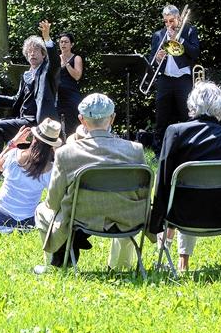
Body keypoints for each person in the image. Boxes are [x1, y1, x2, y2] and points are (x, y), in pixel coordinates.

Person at [33, 93, 148, 272]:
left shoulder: (65, 153)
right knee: (126, 212)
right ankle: (121, 267)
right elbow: (143, 195)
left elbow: (53, 203)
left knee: (42, 210)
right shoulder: (135, 151)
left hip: (80, 218)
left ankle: (55, 267)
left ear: (82, 120)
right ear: (112, 119)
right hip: (128, 217)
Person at [147, 82, 221, 272]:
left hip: (181, 216)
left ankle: (174, 258)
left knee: (184, 192)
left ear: (192, 105)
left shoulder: (176, 132)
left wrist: (156, 222)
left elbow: (163, 181)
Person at [0, 20, 59, 175]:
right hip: (23, 119)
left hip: (37, 121)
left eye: (36, 50)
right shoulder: (26, 75)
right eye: (29, 51)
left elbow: (55, 61)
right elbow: (16, 100)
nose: (32, 54)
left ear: (43, 54)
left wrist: (47, 38)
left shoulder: (47, 72)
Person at [0, 118, 60, 228]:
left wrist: (13, 143)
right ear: (53, 145)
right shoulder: (51, 169)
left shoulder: (15, 154)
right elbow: (55, 199)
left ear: (34, 138)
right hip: (26, 221)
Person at [147, 4, 200, 153]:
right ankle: (158, 151)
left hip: (183, 79)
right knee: (161, 116)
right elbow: (151, 59)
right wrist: (157, 58)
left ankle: (189, 149)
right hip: (165, 79)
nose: (168, 24)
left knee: (187, 114)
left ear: (179, 18)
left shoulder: (189, 31)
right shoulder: (158, 35)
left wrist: (180, 39)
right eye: (166, 21)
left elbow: (195, 53)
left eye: (172, 21)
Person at [55, 32, 84, 138]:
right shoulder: (56, 59)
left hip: (71, 96)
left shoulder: (76, 58)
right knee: (56, 125)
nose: (63, 44)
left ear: (71, 45)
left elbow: (77, 76)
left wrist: (66, 62)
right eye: (61, 42)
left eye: (66, 42)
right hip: (57, 97)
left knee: (73, 124)